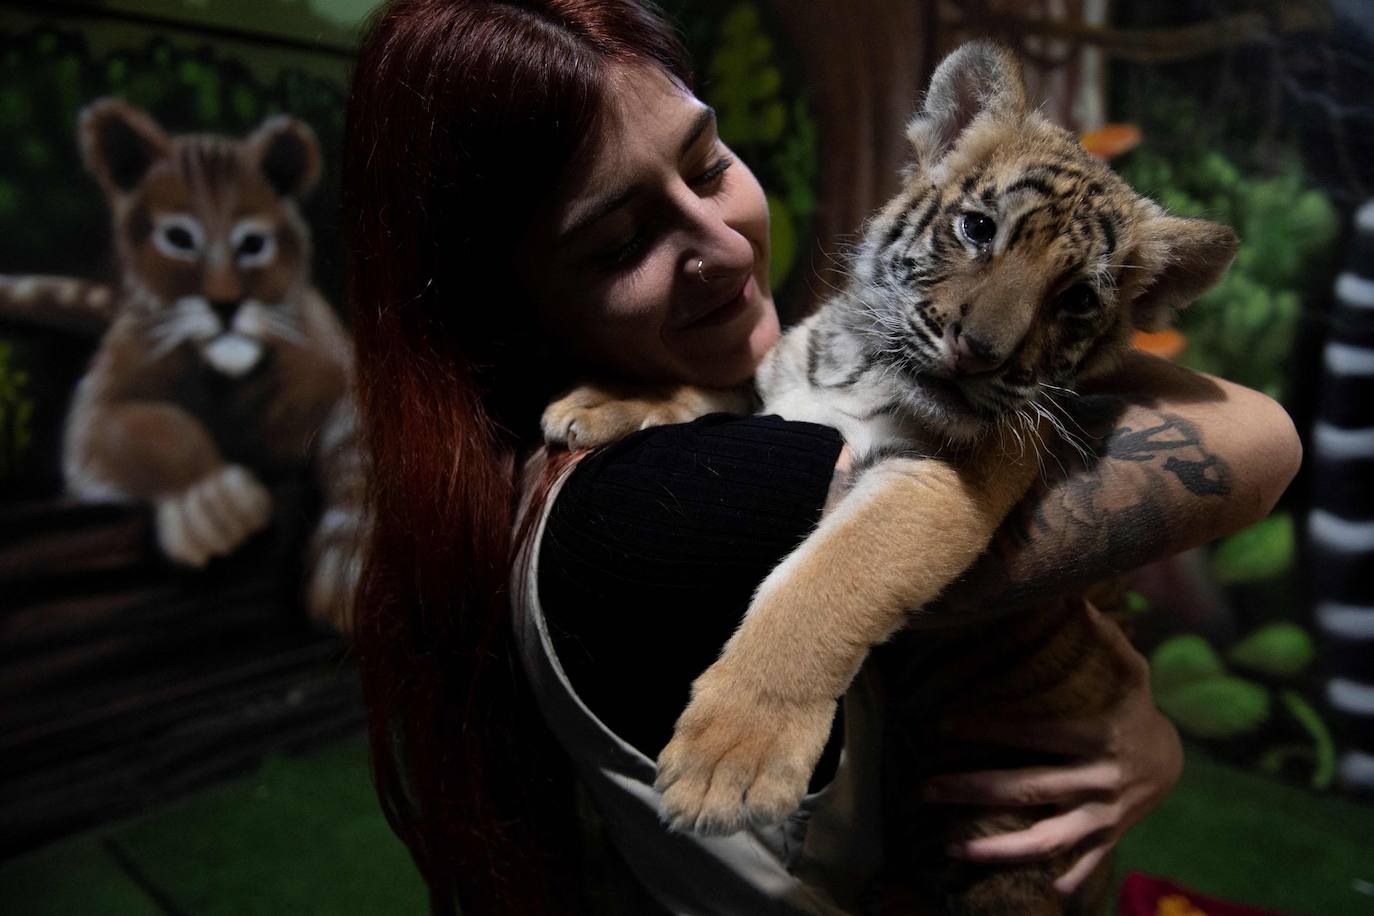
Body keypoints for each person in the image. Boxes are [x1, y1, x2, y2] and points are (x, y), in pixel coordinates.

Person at [342, 2, 1303, 913]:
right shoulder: (630, 519)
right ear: (506, 307)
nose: (720, 243)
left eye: (709, 164)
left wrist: (674, 402)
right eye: (623, 239)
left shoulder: (715, 406)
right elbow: (1251, 439)